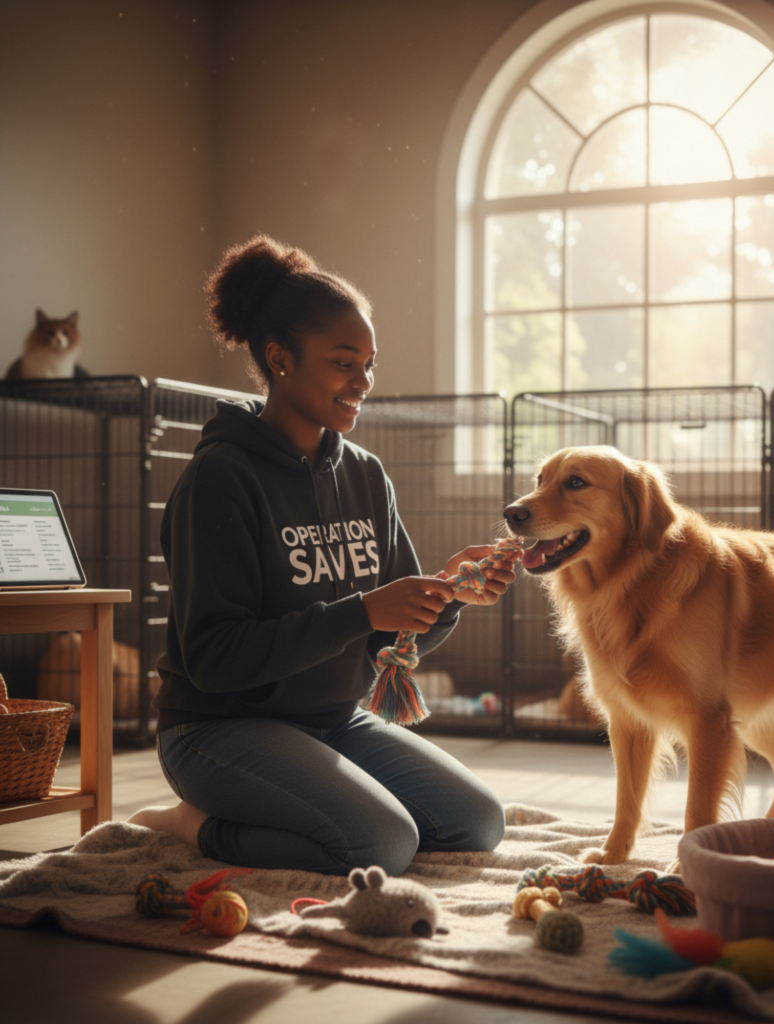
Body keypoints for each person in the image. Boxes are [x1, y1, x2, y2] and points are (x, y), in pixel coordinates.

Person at [128, 235, 513, 876]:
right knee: (382, 843)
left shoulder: (365, 474)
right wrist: (360, 611)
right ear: (280, 360)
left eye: (368, 364)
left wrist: (445, 591)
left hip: (332, 721)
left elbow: (389, 628)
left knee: (478, 822)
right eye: (343, 362)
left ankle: (303, 802)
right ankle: (192, 826)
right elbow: (215, 658)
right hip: (217, 730)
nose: (362, 381)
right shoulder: (220, 479)